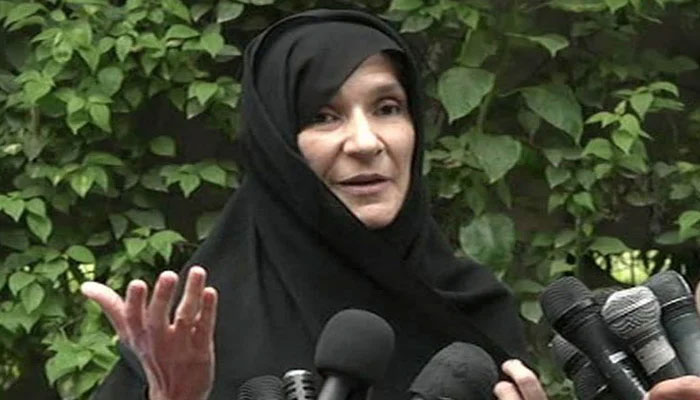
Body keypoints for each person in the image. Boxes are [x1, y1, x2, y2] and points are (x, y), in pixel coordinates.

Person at [81, 8, 547, 400]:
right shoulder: (199, 331)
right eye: (323, 116)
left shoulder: (474, 310)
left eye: (388, 108)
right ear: (277, 146)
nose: (366, 142)